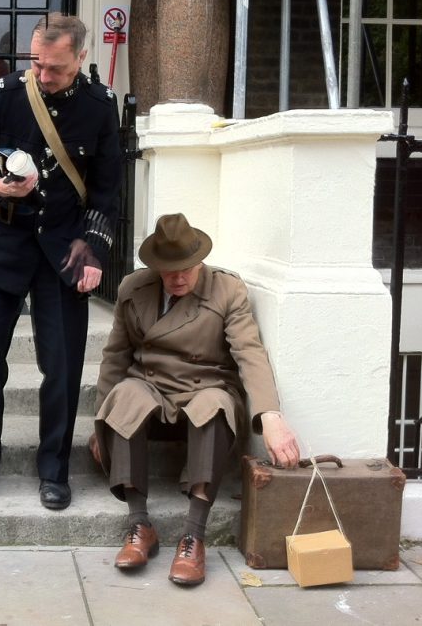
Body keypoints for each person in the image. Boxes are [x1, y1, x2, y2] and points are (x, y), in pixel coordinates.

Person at [0, 13, 122, 510]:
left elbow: (107, 192)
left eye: (57, 69)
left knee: (61, 368)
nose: (44, 77)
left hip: (63, 249)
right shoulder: (2, 94)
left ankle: (54, 472)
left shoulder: (100, 107)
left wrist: (95, 251)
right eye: (38, 64)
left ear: (81, 59)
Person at [89, 212, 300, 586]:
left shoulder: (227, 291)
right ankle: (139, 526)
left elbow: (249, 352)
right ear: (155, 267)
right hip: (151, 388)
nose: (180, 277)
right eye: (170, 270)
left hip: (205, 386)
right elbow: (116, 356)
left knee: (214, 405)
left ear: (200, 260)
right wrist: (100, 422)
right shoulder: (133, 290)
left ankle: (194, 535)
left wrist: (270, 415)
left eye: (187, 267)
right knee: (124, 396)